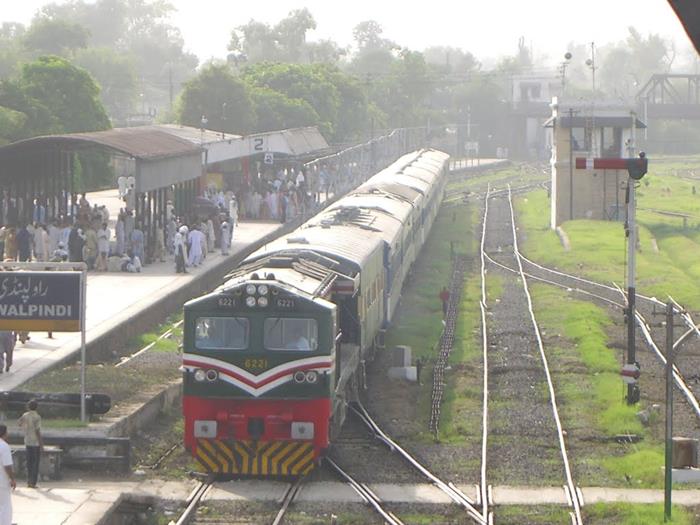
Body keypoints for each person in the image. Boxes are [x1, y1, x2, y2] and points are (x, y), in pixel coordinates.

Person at [18, 400, 42, 488]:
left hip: (27, 441)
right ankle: (33, 482)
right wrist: (41, 444)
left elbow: (19, 423)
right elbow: (37, 431)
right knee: (35, 463)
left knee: (29, 462)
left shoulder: (25, 415)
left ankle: (29, 481)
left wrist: (25, 427)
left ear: (28, 407)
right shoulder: (37, 417)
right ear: (37, 407)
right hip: (35, 442)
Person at [0, 424, 16, 525]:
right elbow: (7, 466)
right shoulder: (4, 446)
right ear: (4, 433)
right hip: (2, 481)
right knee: (5, 505)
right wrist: (12, 479)